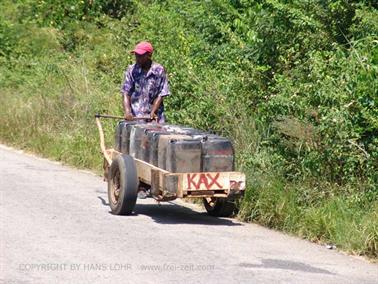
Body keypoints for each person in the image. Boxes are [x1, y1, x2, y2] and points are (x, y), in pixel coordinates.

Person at [121, 41, 170, 123]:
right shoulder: (132, 70)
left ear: (149, 55)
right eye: (136, 55)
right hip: (135, 117)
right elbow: (126, 92)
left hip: (154, 118)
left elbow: (161, 93)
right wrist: (127, 112)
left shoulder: (159, 70)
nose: (137, 58)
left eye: (140, 56)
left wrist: (153, 111)